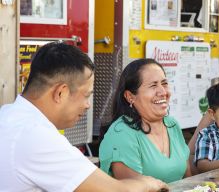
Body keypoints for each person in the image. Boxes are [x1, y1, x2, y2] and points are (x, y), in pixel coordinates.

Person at [0, 43, 167, 191]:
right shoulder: (36, 136)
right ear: (61, 92)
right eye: (86, 95)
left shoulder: (8, 115)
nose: (88, 105)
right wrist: (149, 183)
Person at [99, 59, 190, 183]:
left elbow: (189, 180)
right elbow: (133, 188)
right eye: (153, 85)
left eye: (164, 83)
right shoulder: (121, 134)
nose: (163, 92)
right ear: (130, 96)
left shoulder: (172, 125)